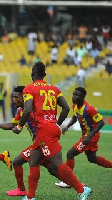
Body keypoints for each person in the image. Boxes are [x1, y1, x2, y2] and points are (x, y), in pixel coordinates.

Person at [12, 61, 91, 200]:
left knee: (57, 164)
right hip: (51, 128)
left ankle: (81, 189)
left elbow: (28, 109)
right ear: (44, 75)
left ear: (32, 74)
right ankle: (30, 197)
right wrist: (55, 124)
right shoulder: (54, 89)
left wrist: (19, 127)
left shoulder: (29, 89)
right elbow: (66, 108)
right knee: (34, 161)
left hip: (45, 130)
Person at [0, 86, 59, 197]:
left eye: (16, 97)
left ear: (24, 97)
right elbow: (12, 125)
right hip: (39, 144)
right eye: (13, 97)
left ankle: (25, 192)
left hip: (43, 143)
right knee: (51, 168)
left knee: (20, 162)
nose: (13, 99)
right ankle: (79, 186)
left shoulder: (32, 109)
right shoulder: (21, 111)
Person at [55, 87, 112, 188]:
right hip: (87, 135)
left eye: (77, 95)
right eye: (73, 94)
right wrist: (67, 126)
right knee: (92, 158)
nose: (74, 96)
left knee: (70, 153)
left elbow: (101, 122)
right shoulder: (75, 106)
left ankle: (68, 181)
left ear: (83, 97)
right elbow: (74, 117)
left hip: (91, 136)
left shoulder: (89, 108)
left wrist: (89, 136)